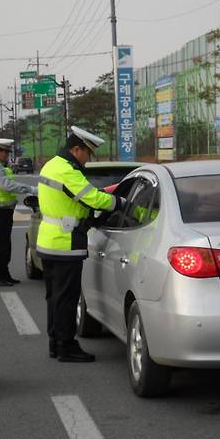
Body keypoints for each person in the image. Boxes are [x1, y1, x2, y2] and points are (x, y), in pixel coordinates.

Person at [37, 126, 125, 362]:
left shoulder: (52, 165)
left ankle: (55, 343)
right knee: (67, 297)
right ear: (77, 149)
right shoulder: (68, 171)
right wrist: (120, 202)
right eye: (88, 153)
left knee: (54, 296)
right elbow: (93, 198)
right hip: (65, 242)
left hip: (48, 241)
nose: (88, 159)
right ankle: (67, 346)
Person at [0, 138, 37, 286]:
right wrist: (31, 189)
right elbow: (7, 185)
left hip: (3, 211)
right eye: (5, 151)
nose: (7, 155)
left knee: (4, 245)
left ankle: (4, 275)